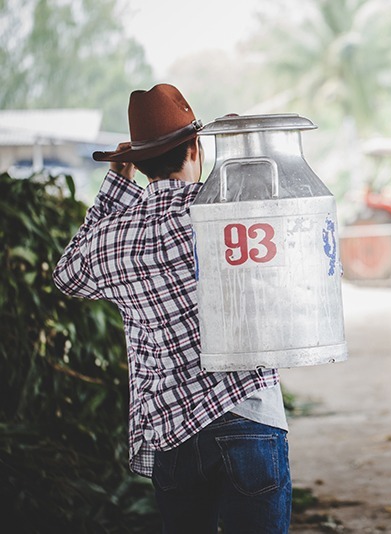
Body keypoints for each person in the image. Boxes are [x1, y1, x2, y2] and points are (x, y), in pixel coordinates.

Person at [53, 84, 291, 533]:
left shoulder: (112, 238)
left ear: (138, 165)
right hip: (248, 414)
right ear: (195, 146)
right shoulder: (226, 212)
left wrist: (115, 184)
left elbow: (68, 275)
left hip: (172, 434)